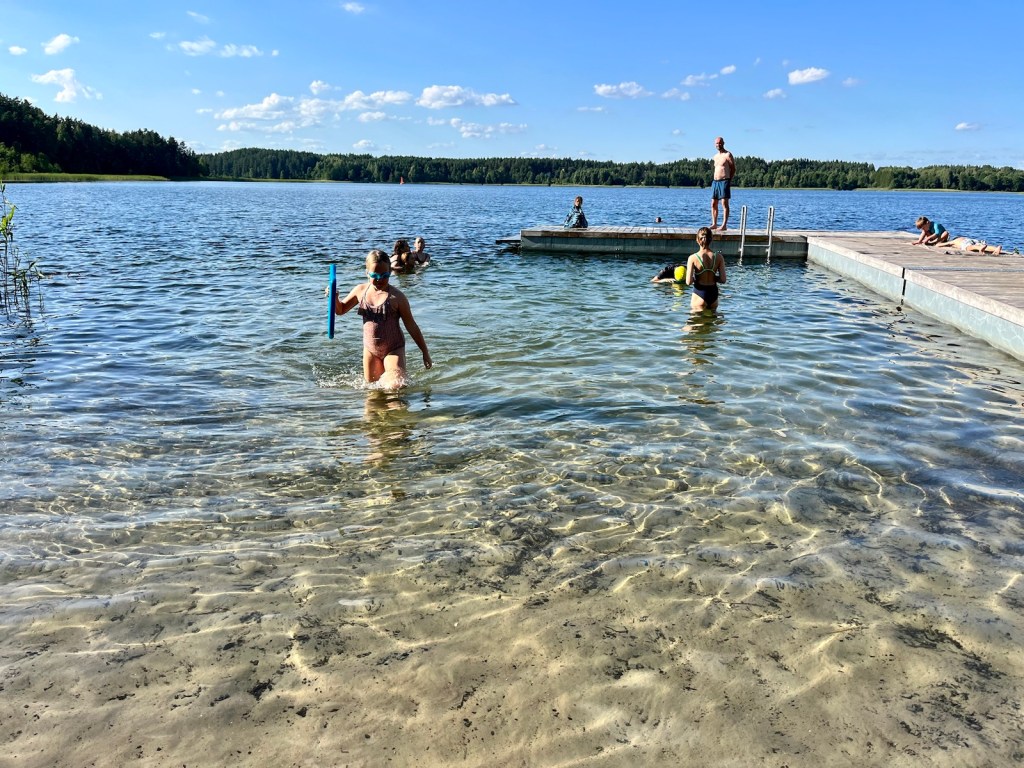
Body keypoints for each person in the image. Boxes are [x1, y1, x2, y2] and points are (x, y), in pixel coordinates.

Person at [334, 250, 432, 388]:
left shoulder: (397, 297)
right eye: (375, 275)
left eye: (384, 275)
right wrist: (334, 298)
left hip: (394, 349)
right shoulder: (360, 291)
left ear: (390, 272)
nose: (379, 279)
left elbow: (411, 326)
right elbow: (340, 310)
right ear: (367, 273)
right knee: (373, 392)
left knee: (396, 387)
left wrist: (425, 352)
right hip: (370, 350)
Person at [651, 227, 726, 311]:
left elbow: (688, 281)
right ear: (711, 239)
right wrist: (713, 277)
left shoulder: (693, 258)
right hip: (713, 294)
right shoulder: (719, 257)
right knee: (712, 318)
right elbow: (723, 280)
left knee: (694, 319)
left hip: (699, 294)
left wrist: (698, 277)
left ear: (697, 240)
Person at [710, 136, 736, 231]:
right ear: (715, 144)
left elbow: (733, 169)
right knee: (713, 203)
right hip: (715, 182)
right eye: (717, 143)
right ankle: (714, 224)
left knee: (724, 203)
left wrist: (729, 180)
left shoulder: (728, 155)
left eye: (720, 143)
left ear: (723, 143)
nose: (718, 145)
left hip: (724, 181)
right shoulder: (715, 156)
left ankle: (724, 225)